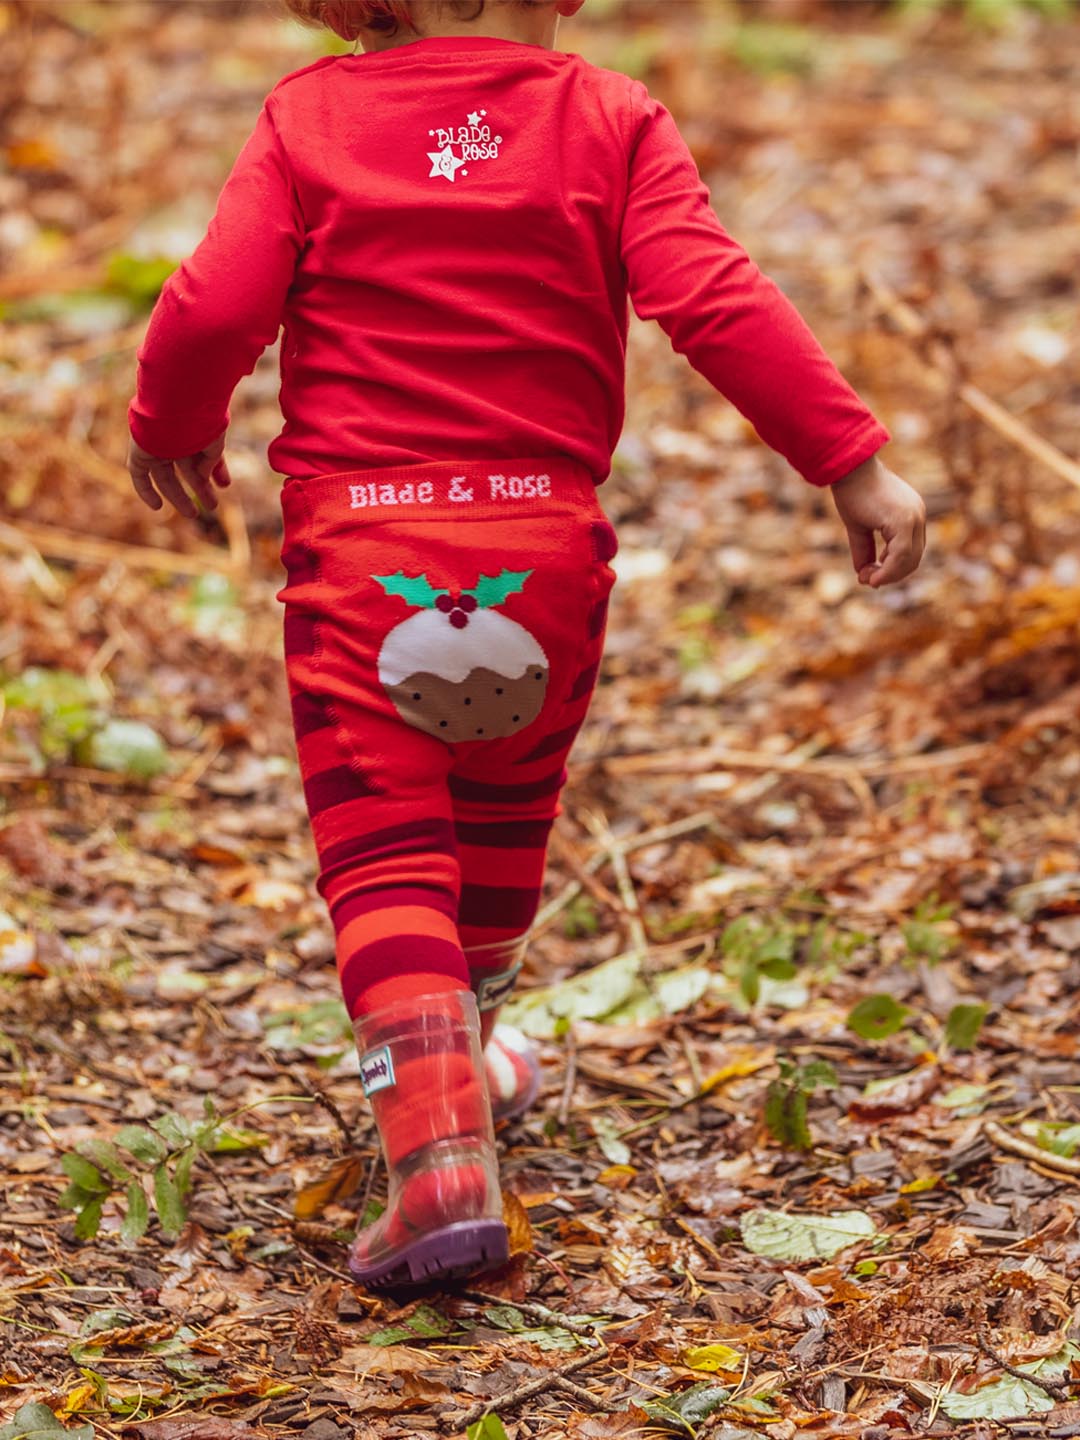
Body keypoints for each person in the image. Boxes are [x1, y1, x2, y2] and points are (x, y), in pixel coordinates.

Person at [126, 0, 926, 1288]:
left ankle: (439, 1162)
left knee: (385, 855)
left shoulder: (310, 116)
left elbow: (218, 300)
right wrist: (850, 460)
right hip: (541, 558)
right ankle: (469, 1063)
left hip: (366, 557)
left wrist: (172, 416)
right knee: (500, 818)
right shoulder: (607, 117)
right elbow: (715, 297)